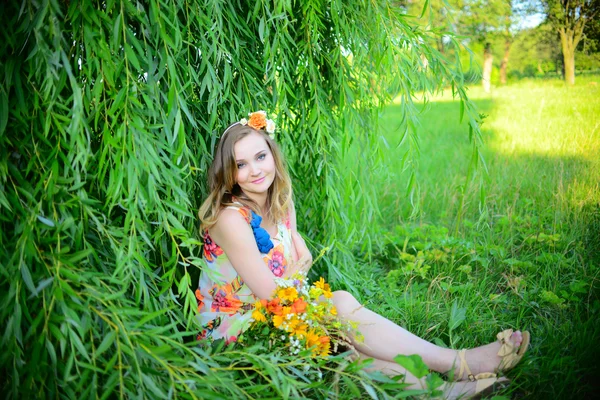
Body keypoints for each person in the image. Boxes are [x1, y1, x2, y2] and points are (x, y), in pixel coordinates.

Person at [196, 111, 530, 398]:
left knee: (346, 350)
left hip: (282, 313)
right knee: (340, 316)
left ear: (273, 155)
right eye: (241, 164)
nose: (255, 170)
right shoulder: (230, 218)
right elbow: (272, 293)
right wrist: (303, 277)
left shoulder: (279, 199)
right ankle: (457, 365)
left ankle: (444, 390)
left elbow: (294, 255)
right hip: (240, 335)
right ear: (228, 173)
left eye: (260, 156)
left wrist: (303, 265)